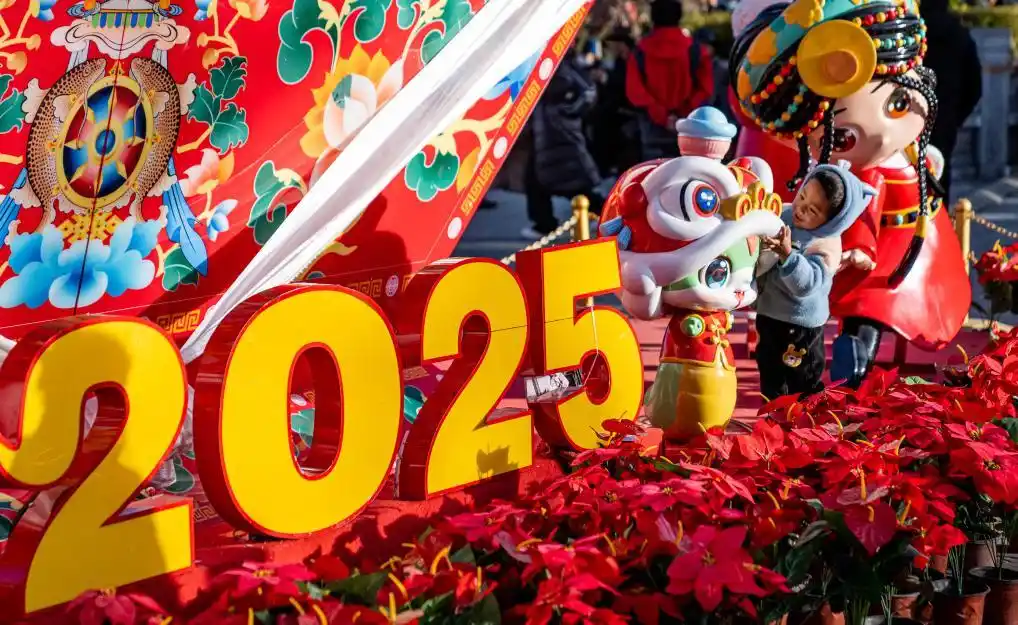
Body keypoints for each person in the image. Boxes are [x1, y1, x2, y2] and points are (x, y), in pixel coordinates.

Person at [730, 0, 972, 388]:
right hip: (883, 251)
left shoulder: (905, 153)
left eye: (899, 103)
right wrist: (862, 248)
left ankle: (854, 350)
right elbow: (861, 214)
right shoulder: (861, 176)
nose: (884, 134)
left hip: (920, 239)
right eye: (843, 136)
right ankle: (855, 355)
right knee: (868, 305)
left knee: (899, 299)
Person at [755, 164, 874, 400]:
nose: (800, 209)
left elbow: (807, 285)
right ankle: (772, 414)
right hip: (769, 314)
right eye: (802, 197)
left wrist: (788, 256)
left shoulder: (825, 245)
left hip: (799, 326)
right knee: (770, 371)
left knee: (802, 379)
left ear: (833, 221)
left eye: (812, 210)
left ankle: (806, 415)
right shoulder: (786, 216)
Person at [524, 47, 603, 239]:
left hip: (558, 133)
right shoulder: (552, 64)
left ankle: (546, 223)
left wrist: (565, 112)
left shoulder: (562, 65)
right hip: (549, 131)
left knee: (567, 180)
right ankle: (545, 222)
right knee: (547, 178)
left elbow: (588, 93)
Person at [626, 0, 714, 161]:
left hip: (653, 128)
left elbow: (635, 91)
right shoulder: (696, 50)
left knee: (653, 172)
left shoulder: (640, 52)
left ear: (653, 17)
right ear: (679, 16)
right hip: (689, 127)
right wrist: (684, 112)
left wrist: (662, 116)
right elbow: (705, 88)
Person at [921, 0, 983, 201]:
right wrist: (956, 118)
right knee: (939, 175)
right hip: (944, 117)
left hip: (906, 112)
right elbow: (974, 86)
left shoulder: (911, 31)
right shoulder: (959, 34)